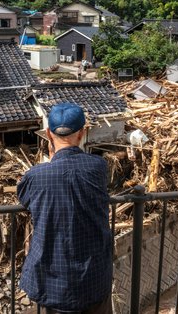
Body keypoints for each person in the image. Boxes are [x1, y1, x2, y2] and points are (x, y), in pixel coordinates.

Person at [17, 103, 113, 314]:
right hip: (94, 279)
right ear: (83, 133)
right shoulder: (98, 167)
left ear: (49, 134)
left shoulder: (35, 176)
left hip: (53, 283)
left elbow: (24, 199)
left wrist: (52, 160)